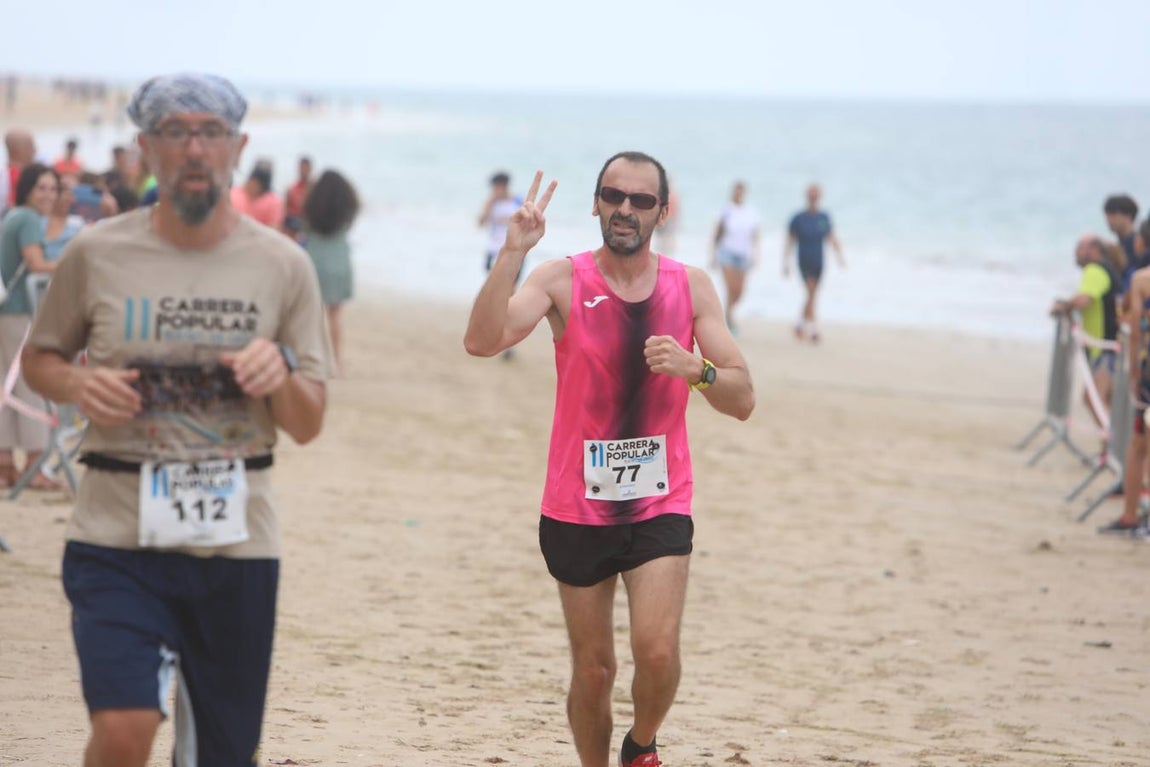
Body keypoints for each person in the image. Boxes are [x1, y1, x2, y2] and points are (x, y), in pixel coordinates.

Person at [20, 72, 332, 767]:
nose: (195, 148)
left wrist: (278, 375)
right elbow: (39, 358)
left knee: (223, 754)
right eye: (176, 132)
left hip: (237, 546)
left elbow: (308, 422)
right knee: (127, 722)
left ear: (238, 145)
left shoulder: (284, 265)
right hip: (114, 532)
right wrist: (77, 381)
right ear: (146, 147)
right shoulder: (97, 253)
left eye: (211, 132)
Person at [464, 152, 755, 767]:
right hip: (576, 504)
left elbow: (743, 397)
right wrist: (511, 252)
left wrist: (695, 369)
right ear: (596, 203)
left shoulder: (691, 286)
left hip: (659, 500)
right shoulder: (559, 279)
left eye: (641, 200)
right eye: (613, 196)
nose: (625, 209)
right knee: (594, 671)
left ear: (663, 212)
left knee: (656, 652)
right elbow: (482, 341)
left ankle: (641, 743)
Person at [0, 163, 60, 489]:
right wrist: (72, 263)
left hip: (4, 311)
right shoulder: (28, 219)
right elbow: (36, 264)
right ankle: (36, 466)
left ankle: (5, 463)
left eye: (53, 189)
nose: (48, 195)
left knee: (5, 387)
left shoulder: (11, 216)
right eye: (42, 188)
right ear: (27, 189)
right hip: (20, 313)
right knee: (29, 386)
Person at [1049, 235, 1124, 426]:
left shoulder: (1095, 270)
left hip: (1107, 349)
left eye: (1079, 247)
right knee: (1101, 401)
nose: (1075, 252)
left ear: (1094, 250)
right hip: (1108, 347)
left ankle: (1112, 447)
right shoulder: (1107, 270)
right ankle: (1108, 450)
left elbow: (1084, 298)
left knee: (1094, 399)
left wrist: (1064, 306)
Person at [1102, 252, 1150, 537]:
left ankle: (1130, 516)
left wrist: (1133, 371)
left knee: (1139, 445)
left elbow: (1135, 331)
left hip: (1148, 375)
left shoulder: (1141, 279)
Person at [302, 169, 360, 373]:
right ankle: (336, 360)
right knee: (334, 316)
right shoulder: (348, 208)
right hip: (338, 262)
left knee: (313, 316)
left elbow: (304, 229)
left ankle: (315, 358)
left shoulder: (311, 207)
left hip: (314, 261)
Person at [783, 183, 844, 343]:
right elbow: (790, 240)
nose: (813, 197)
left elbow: (831, 237)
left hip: (819, 261)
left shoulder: (823, 217)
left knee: (813, 294)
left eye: (816, 194)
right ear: (807, 196)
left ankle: (799, 325)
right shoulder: (798, 218)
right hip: (804, 260)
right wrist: (785, 262)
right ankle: (813, 329)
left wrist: (840, 256)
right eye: (811, 194)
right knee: (811, 292)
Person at [710, 181, 759, 332]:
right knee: (731, 288)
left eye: (741, 191)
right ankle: (729, 320)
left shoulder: (750, 212)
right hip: (727, 253)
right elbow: (717, 234)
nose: (738, 194)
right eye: (736, 191)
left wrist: (755, 254)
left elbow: (755, 236)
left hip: (743, 255)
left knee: (740, 291)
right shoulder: (726, 211)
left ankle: (728, 313)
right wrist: (713, 255)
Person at [231, 162, 284, 228]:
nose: (255, 186)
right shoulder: (233, 193)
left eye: (259, 184)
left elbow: (274, 227)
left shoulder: (273, 202)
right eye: (254, 181)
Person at [1104, 194, 1141, 288]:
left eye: (1113, 214)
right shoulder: (1117, 247)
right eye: (1107, 214)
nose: (1108, 219)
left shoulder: (1138, 243)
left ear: (1128, 216)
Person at [283, 154, 313, 238]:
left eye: (306, 168)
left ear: (310, 169)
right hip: (293, 223)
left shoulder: (315, 189)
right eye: (302, 168)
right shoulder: (292, 189)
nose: (303, 170)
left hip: (307, 224)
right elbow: (285, 210)